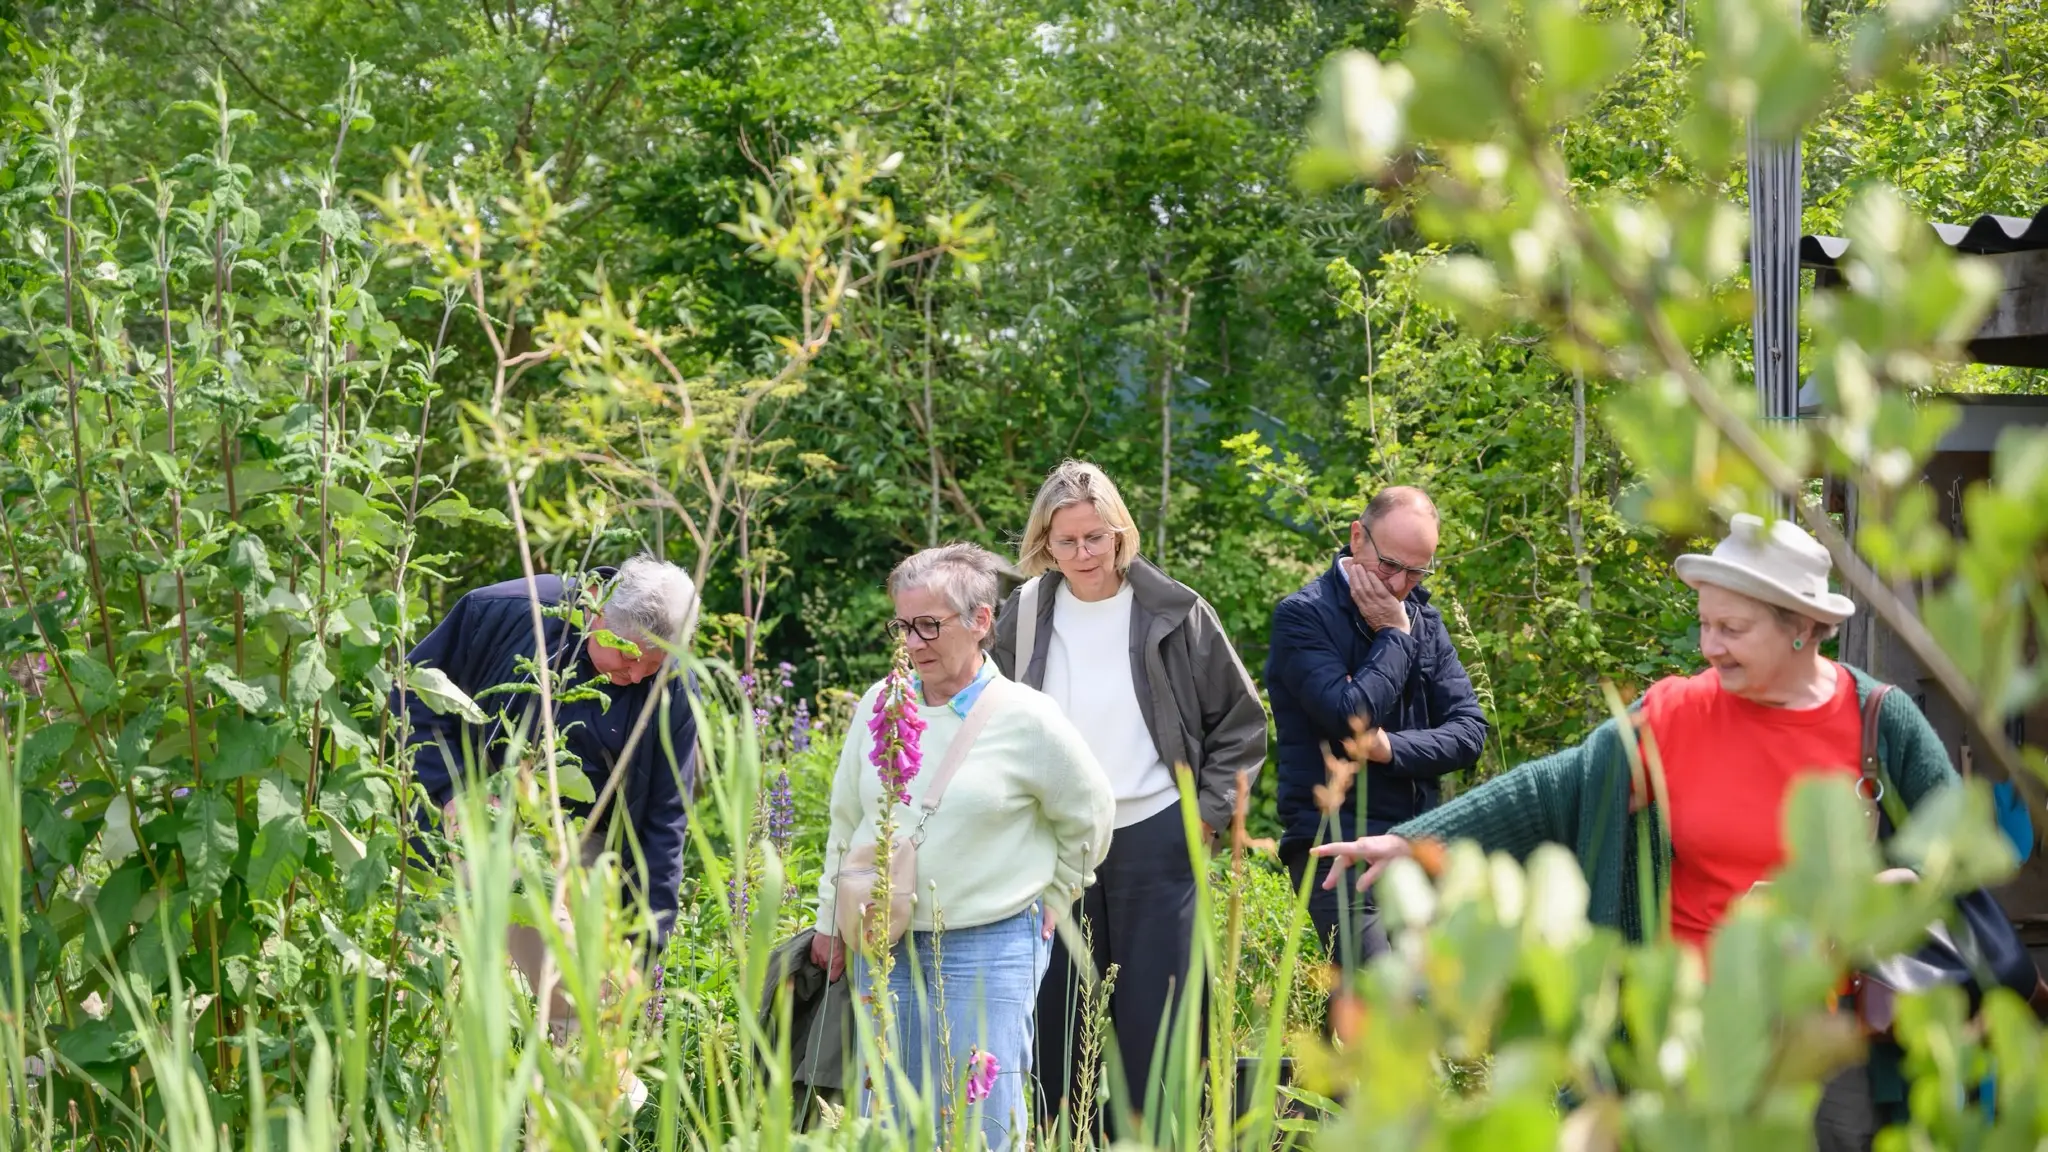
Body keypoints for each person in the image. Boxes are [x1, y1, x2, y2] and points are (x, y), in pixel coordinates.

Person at [1311, 513, 1961, 1149]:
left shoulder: (1878, 720)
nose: (1710, 646)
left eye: (1732, 628)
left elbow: (1957, 858)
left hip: (1828, 1041)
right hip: (1686, 1038)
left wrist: (1871, 891)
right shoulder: (1678, 712)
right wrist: (1413, 840)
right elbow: (1559, 788)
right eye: (1705, 623)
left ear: (1802, 627)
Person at [989, 460, 1267, 1125]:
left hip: (1159, 840)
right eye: (1066, 541)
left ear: (1121, 532)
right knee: (1056, 1033)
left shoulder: (1176, 611)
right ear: (1044, 544)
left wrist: (1205, 819)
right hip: (1055, 848)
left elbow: (1241, 723)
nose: (1084, 553)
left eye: (1096, 537)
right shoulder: (1021, 616)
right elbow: (989, 719)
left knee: (1159, 1033)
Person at [811, 543, 1115, 1151]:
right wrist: (828, 922)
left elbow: (1092, 816)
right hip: (882, 940)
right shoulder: (881, 703)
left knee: (982, 1123)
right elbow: (846, 822)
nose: (913, 642)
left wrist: (1059, 891)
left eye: (929, 624)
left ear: (981, 621)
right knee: (888, 1118)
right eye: (903, 626)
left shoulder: (1028, 718)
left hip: (990, 944)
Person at [392, 555, 699, 1013]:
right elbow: (410, 693)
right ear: (598, 613)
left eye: (653, 665)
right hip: (478, 814)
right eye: (629, 657)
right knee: (434, 982)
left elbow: (664, 821)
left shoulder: (673, 688)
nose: (637, 675)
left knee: (593, 990)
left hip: (588, 845)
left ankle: (578, 1043)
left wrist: (643, 951)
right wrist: (454, 790)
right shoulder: (506, 612)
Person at [1266, 486, 1488, 968]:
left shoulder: (1425, 621)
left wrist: (1390, 749)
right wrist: (1394, 635)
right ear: (1357, 537)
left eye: (1417, 571)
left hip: (1416, 840)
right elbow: (1352, 717)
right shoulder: (1303, 616)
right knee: (1380, 994)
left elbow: (1471, 732)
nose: (1401, 584)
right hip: (1336, 842)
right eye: (1390, 565)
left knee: (1431, 998)